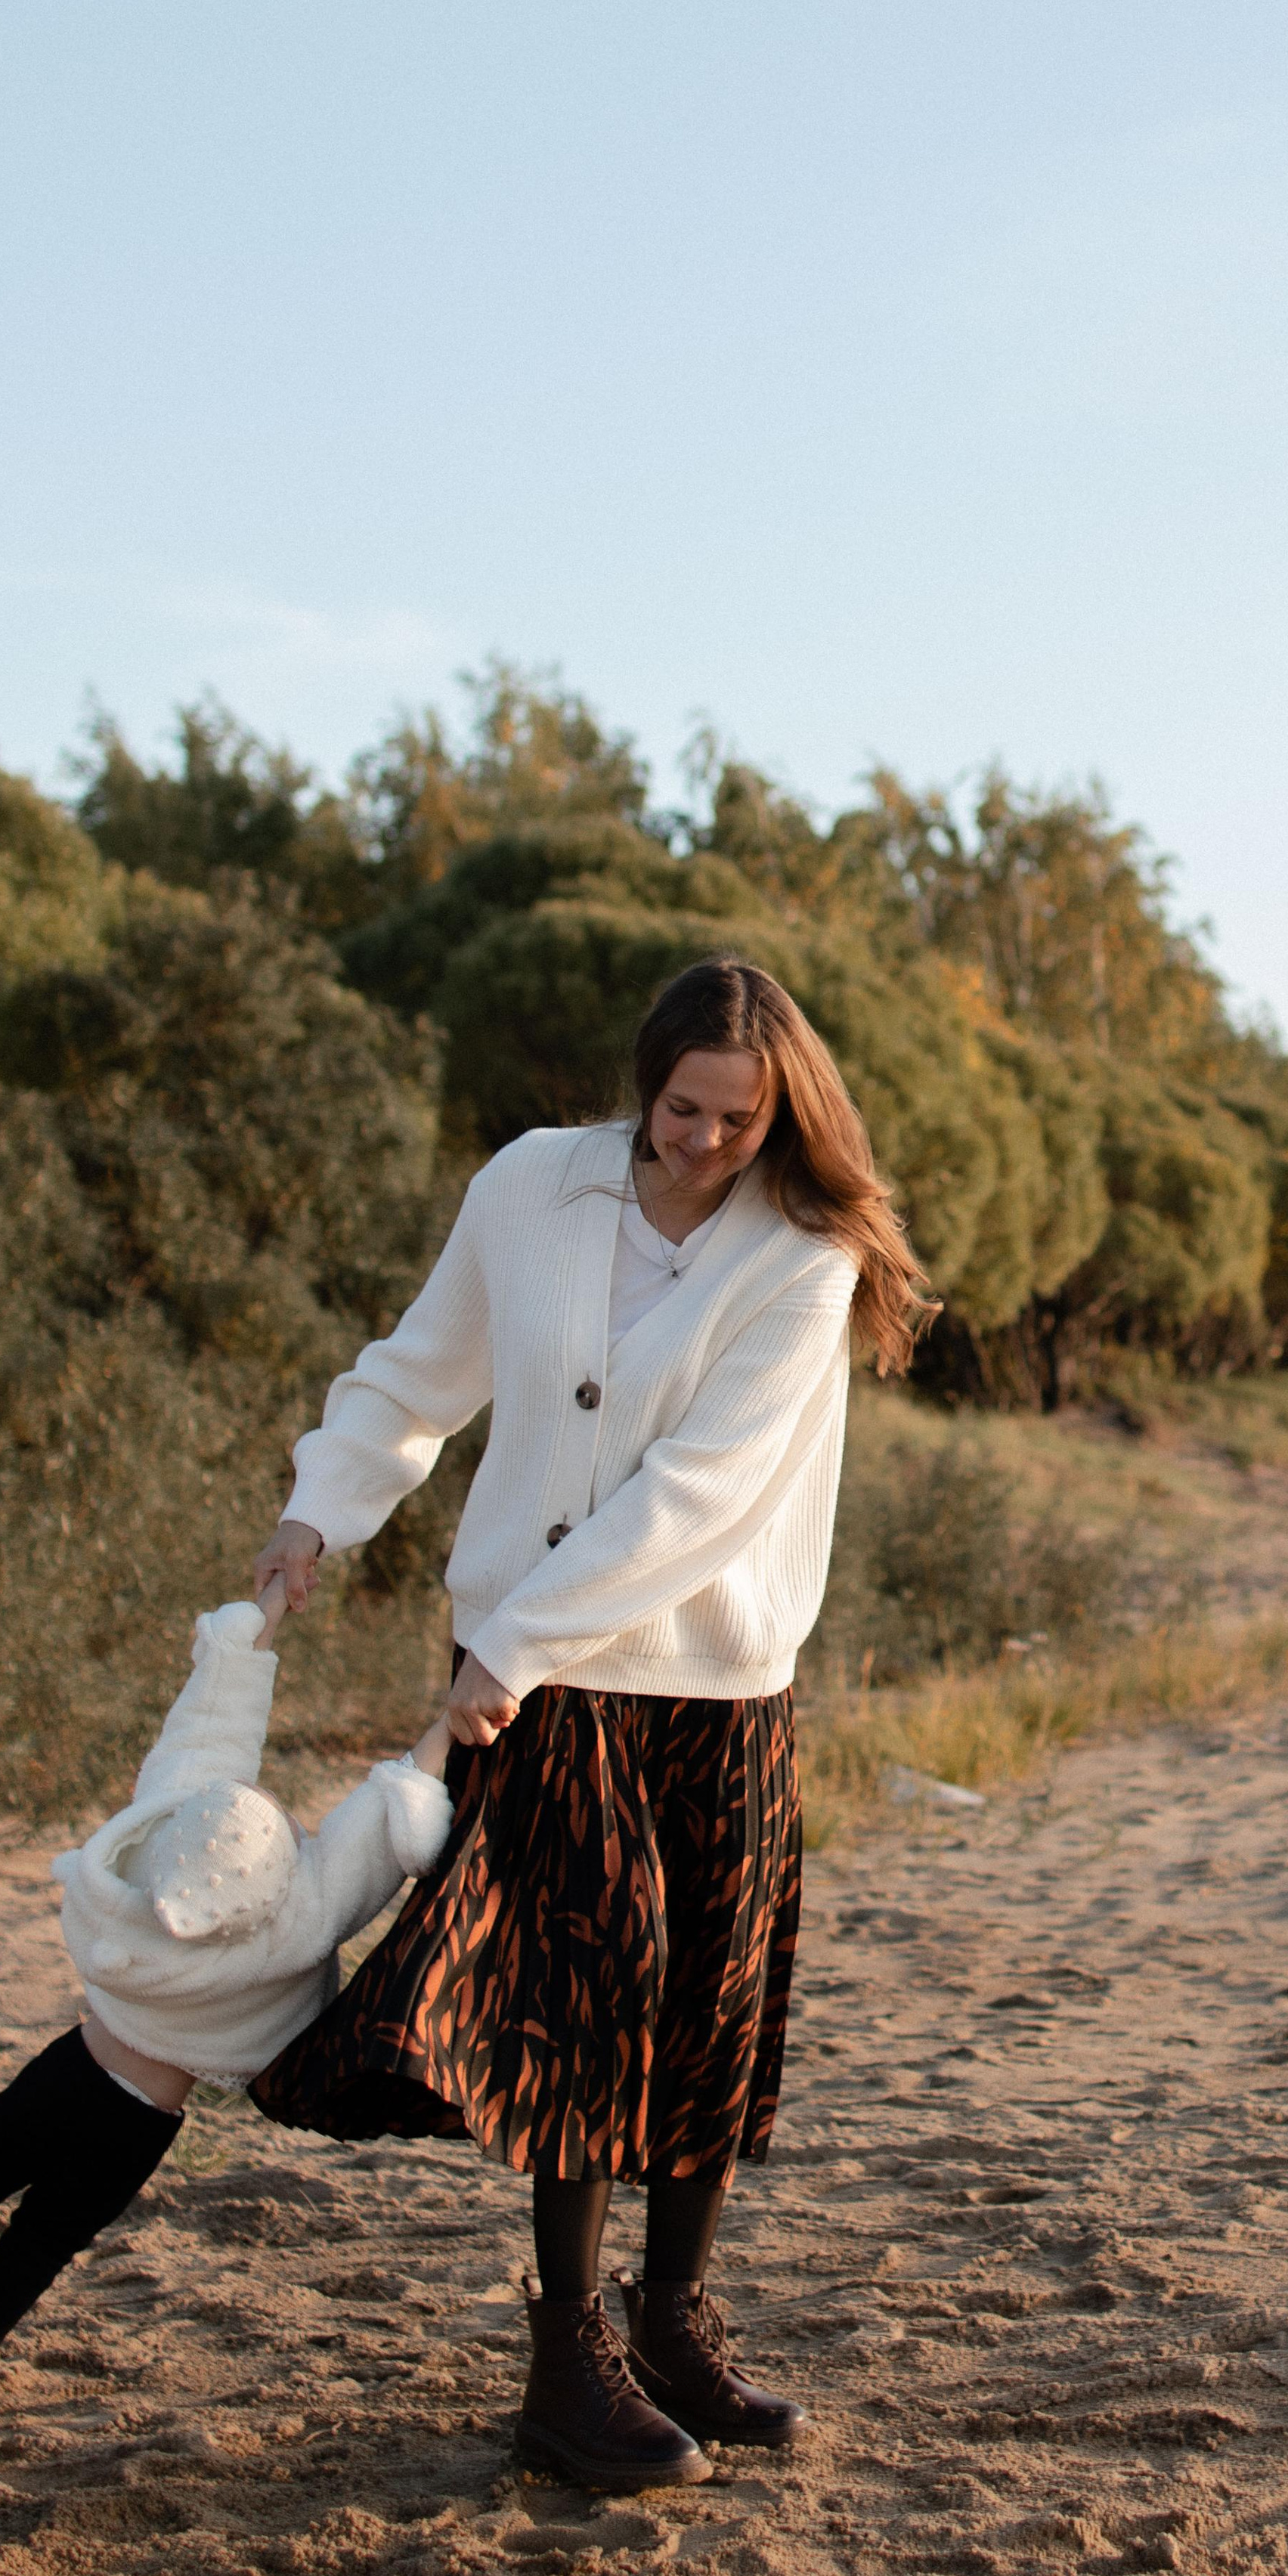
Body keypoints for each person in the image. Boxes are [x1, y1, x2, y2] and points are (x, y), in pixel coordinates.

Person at [249, 955, 929, 2494]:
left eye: (737, 1120)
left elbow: (696, 1502)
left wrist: (513, 1642)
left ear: (783, 1114)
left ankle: (673, 2325)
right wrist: (319, 1514)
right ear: (646, 1084)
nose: (700, 1141)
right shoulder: (532, 1190)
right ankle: (567, 2363)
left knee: (704, 2006)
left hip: (711, 1687)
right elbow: (421, 1376)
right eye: (681, 1109)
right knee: (579, 2006)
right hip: (543, 1680)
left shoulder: (803, 1257)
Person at [0, 1586, 454, 2434]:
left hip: (73, 2069)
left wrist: (255, 1629)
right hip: (138, 2123)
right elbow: (382, 1823)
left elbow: (205, 1729)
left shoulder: (141, 1874)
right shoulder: (295, 1919)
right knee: (39, 2246)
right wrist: (449, 1729)